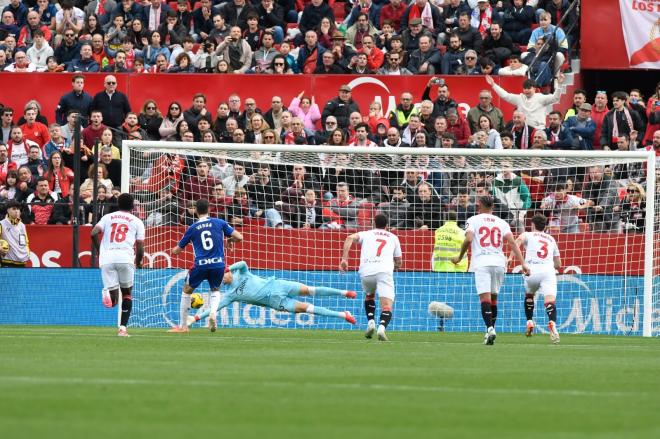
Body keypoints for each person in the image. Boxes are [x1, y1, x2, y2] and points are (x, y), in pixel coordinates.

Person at [189, 260, 357, 330]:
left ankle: (344, 293)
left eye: (221, 276)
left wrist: (227, 268)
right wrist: (195, 319)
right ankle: (343, 315)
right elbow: (214, 308)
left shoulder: (242, 273)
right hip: (276, 302)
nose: (220, 280)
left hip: (278, 285)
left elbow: (243, 263)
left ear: (226, 272)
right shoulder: (230, 295)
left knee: (311, 290)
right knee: (309, 309)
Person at [451, 196, 529, 345]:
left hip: (482, 262)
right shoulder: (502, 223)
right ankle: (490, 330)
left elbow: (468, 239)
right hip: (499, 263)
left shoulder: (473, 220)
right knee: (494, 299)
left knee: (485, 299)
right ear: (493, 207)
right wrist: (523, 264)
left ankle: (489, 329)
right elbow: (512, 243)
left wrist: (460, 257)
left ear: (479, 205)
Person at [166, 198, 244, 332]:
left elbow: (177, 251)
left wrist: (173, 250)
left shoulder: (192, 228)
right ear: (209, 209)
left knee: (187, 291)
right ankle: (213, 313)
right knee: (215, 290)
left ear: (196, 211)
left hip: (201, 265)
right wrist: (230, 240)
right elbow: (239, 237)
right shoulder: (220, 222)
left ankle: (183, 326)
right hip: (218, 265)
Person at [340, 213, 403, 341]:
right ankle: (382, 328)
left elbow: (349, 238)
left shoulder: (366, 234)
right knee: (387, 306)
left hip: (366, 271)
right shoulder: (393, 237)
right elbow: (399, 261)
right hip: (384, 271)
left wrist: (344, 259)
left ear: (374, 223)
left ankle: (370, 322)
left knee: (369, 296)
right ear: (387, 225)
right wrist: (395, 267)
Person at [90, 193, 145, 337]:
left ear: (117, 204)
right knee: (127, 294)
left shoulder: (108, 217)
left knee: (113, 301)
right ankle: (122, 329)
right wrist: (139, 261)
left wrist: (100, 251)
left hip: (107, 258)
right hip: (125, 258)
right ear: (133, 206)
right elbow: (140, 246)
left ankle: (106, 294)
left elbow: (93, 232)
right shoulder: (137, 221)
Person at [515, 214, 561, 344]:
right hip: (547, 271)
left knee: (529, 295)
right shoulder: (551, 239)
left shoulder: (528, 235)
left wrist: (512, 258)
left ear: (532, 225)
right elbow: (558, 264)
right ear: (545, 226)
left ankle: (529, 321)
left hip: (531, 271)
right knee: (550, 301)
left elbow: (517, 240)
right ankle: (552, 323)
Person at [0, 200, 29, 267]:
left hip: (22, 261)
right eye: (14, 209)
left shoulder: (22, 225)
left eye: (18, 209)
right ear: (8, 210)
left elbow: (26, 242)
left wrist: (27, 253)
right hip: (7, 261)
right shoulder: (2, 224)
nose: (16, 211)